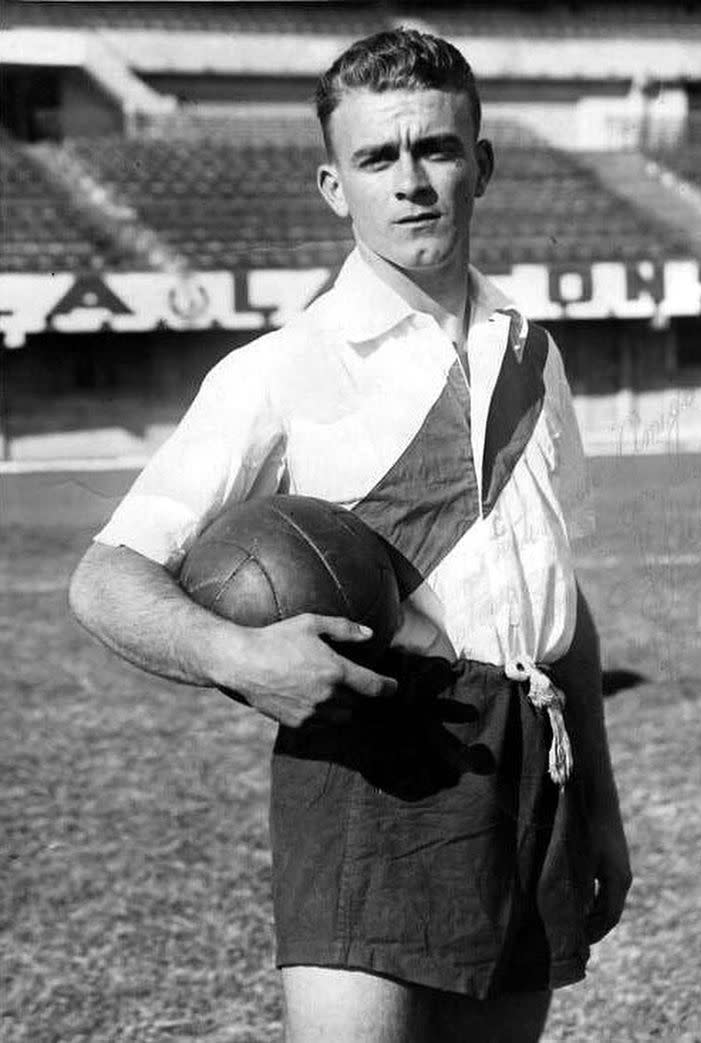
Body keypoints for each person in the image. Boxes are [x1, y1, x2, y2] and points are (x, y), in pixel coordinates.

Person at [69, 28, 631, 1043]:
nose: (412, 182)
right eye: (379, 158)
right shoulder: (278, 370)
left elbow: (563, 604)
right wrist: (235, 652)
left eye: (437, 149)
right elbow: (106, 577)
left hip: (526, 765)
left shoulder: (531, 354)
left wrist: (599, 803)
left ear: (481, 163)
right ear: (336, 186)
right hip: (373, 769)